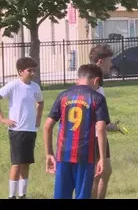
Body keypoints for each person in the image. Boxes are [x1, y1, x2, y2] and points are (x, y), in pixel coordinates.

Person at [43, 64, 110, 199]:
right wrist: (102, 158)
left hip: (63, 154)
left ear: (79, 78)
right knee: (82, 195)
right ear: (96, 80)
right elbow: (101, 128)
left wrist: (49, 153)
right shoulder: (97, 98)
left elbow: (47, 126)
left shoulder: (63, 96)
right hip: (85, 155)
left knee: (61, 195)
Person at [0, 57, 44, 199]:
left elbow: (40, 103)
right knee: (17, 163)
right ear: (20, 71)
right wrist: (3, 119)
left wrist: (37, 119)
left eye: (34, 71)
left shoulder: (35, 87)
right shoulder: (13, 86)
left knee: (26, 162)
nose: (32, 73)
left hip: (30, 130)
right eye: (29, 70)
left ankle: (22, 195)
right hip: (17, 131)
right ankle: (11, 196)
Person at [88, 44, 118, 199]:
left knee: (105, 172)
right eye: (109, 61)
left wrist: (109, 125)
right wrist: (105, 126)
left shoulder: (98, 85)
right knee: (98, 174)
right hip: (93, 136)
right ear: (100, 62)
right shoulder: (93, 86)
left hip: (99, 133)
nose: (111, 65)